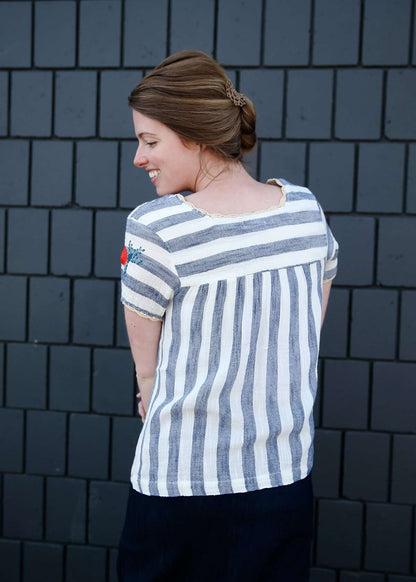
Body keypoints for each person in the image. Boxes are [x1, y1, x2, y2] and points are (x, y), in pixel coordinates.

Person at [117, 50, 339, 582]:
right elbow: (307, 331)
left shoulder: (157, 227)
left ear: (194, 135)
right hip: (282, 482)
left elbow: (148, 377)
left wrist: (148, 385)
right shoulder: (305, 211)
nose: (138, 158)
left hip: (180, 490)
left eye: (150, 141)